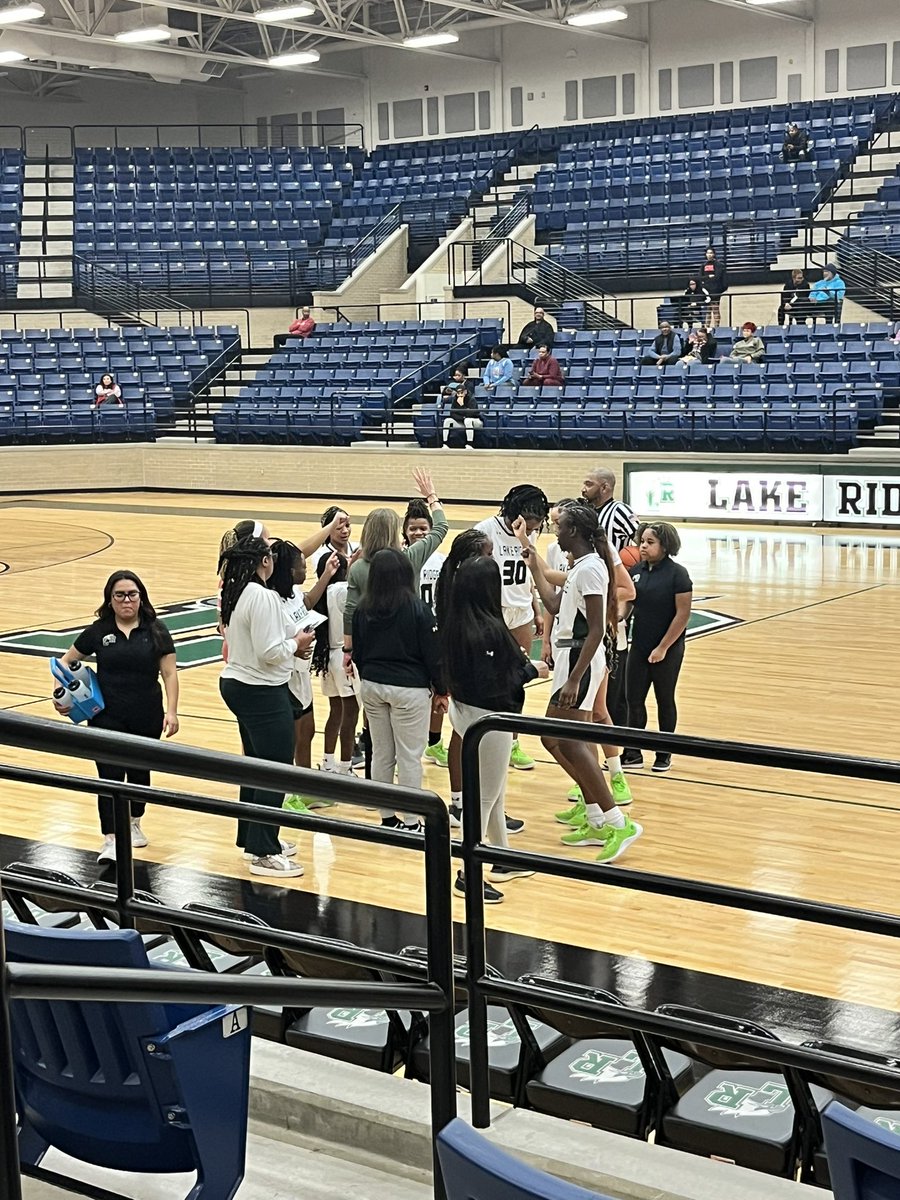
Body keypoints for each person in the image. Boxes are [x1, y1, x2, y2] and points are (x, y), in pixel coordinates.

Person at [523, 504, 643, 864]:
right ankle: (594, 815)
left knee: (569, 743)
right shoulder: (580, 566)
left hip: (581, 660)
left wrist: (576, 677)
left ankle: (618, 821)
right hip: (568, 658)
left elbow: (595, 629)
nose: (555, 531)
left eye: (560, 526)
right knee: (554, 739)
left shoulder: (591, 569)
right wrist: (533, 567)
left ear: (574, 531)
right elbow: (554, 604)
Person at [441, 555, 549, 903]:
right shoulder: (487, 630)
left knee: (495, 790)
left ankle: (502, 857)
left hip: (465, 712)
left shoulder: (455, 622)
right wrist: (532, 671)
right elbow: (498, 682)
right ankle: (465, 874)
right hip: (490, 719)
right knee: (485, 797)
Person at [54, 571, 179, 864]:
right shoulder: (98, 631)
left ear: (141, 597)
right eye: (119, 595)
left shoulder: (157, 630)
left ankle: (134, 822)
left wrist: (171, 711)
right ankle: (109, 838)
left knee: (139, 773)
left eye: (132, 594)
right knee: (108, 776)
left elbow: (170, 672)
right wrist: (63, 695)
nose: (126, 600)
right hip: (105, 715)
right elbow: (66, 661)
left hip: (146, 714)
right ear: (110, 600)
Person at [219, 536, 313, 877]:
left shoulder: (240, 592)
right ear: (263, 562)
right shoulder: (263, 596)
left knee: (255, 766)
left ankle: (256, 836)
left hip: (240, 685)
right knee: (275, 768)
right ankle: (263, 851)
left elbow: (280, 634)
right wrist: (295, 644)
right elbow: (270, 651)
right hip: (260, 690)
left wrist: (296, 638)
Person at [351, 548, 448, 831]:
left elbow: (358, 651)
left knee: (381, 753)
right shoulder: (419, 609)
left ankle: (387, 818)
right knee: (409, 756)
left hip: (371, 686)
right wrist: (441, 689)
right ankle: (410, 820)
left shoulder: (362, 609)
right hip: (409, 690)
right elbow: (433, 654)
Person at [475, 484, 550, 772]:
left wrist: (536, 608)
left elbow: (530, 573)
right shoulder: (485, 530)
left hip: (521, 613)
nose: (535, 525)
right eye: (533, 519)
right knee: (491, 676)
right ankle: (487, 732)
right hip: (492, 613)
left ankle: (513, 741)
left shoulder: (527, 535)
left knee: (519, 677)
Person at [268, 539, 341, 815]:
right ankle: (288, 794)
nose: (304, 568)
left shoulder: (293, 592)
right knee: (292, 735)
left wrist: (326, 575)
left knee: (308, 730)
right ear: (288, 569)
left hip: (302, 675)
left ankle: (305, 786)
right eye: (300, 565)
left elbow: (307, 602)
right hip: (286, 674)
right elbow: (270, 643)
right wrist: (293, 650)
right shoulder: (271, 600)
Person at [434, 527, 495, 828]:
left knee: (462, 735)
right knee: (465, 737)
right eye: (488, 554)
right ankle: (464, 803)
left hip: (458, 670)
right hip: (466, 674)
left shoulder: (453, 580)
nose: (492, 559)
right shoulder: (465, 586)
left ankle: (466, 803)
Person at [343, 469, 448, 643]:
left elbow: (350, 612)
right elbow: (441, 527)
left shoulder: (357, 567)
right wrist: (431, 497)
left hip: (372, 640)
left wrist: (347, 649)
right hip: (408, 637)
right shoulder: (409, 557)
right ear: (395, 533)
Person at [624, 521, 693, 774]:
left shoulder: (678, 574)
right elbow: (630, 604)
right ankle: (632, 753)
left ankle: (664, 753)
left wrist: (663, 647)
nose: (643, 546)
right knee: (633, 699)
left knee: (664, 700)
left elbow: (682, 615)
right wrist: (618, 618)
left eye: (650, 542)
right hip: (640, 646)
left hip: (668, 648)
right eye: (642, 541)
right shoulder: (636, 571)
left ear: (665, 546)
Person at [580, 468, 639, 731]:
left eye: (588, 483)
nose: (583, 487)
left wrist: (628, 568)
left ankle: (619, 735)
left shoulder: (620, 512)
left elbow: (639, 544)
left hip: (614, 594)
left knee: (614, 675)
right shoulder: (587, 513)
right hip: (592, 590)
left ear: (604, 487)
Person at [404, 499, 449, 769]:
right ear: (405, 532)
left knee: (439, 690)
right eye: (413, 529)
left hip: (437, 631)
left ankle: (434, 743)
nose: (419, 533)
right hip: (410, 632)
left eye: (423, 528)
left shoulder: (444, 561)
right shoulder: (402, 559)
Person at [310, 553, 359, 778]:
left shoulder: (324, 592)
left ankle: (328, 763)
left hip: (328, 656)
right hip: (342, 656)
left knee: (335, 713)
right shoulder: (341, 590)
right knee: (351, 714)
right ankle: (345, 767)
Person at [309, 504, 358, 572]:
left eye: (347, 525)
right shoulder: (320, 555)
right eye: (339, 528)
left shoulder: (359, 548)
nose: (345, 531)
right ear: (328, 530)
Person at [442, 382, 483, 450]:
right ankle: (445, 443)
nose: (460, 395)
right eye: (458, 393)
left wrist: (462, 406)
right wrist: (463, 417)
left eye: (462, 392)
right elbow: (452, 413)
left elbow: (472, 413)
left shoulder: (471, 399)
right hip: (462, 421)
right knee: (447, 420)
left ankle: (470, 444)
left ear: (465, 392)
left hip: (476, 422)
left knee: (468, 420)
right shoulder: (455, 399)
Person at [699, 248, 727, 328]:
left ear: (714, 254)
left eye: (711, 253)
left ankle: (716, 327)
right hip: (706, 291)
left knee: (715, 309)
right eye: (708, 253)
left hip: (715, 291)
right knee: (707, 310)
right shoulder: (703, 265)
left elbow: (718, 277)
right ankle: (707, 327)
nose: (709, 255)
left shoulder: (719, 265)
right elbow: (700, 277)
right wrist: (708, 277)